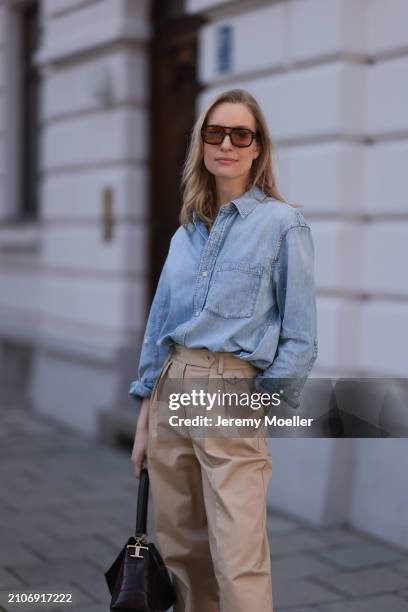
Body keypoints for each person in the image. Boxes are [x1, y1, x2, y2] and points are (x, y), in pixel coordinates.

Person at [129, 88, 318, 612]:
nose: (228, 144)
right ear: (202, 145)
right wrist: (146, 418)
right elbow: (159, 328)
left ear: (258, 148)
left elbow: (301, 339)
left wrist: (255, 409)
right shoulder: (184, 234)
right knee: (183, 557)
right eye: (216, 133)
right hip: (171, 392)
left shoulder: (282, 225)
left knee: (238, 559)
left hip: (231, 391)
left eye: (241, 134)